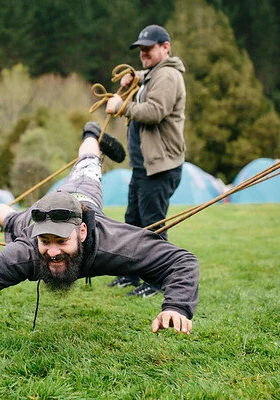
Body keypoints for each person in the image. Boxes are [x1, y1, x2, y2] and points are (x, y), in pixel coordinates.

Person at [0, 122, 199, 348]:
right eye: (45, 240)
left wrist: (176, 306)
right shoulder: (28, 247)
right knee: (10, 219)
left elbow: (181, 261)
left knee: (89, 162)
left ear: (82, 232)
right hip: (42, 207)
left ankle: (90, 133)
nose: (53, 251)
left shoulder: (114, 241)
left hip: (84, 194)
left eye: (61, 240)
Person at [105, 24, 187, 298]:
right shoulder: (154, 74)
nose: (143, 54)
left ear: (165, 47)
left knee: (153, 226)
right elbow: (147, 76)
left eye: (148, 49)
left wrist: (122, 107)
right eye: (141, 50)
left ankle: (157, 281)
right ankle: (130, 274)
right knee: (133, 222)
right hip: (144, 166)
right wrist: (134, 76)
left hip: (160, 166)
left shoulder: (168, 76)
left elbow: (154, 112)